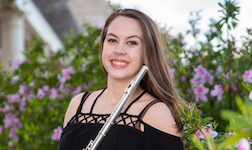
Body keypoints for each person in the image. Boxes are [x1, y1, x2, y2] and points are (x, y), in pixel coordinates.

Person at [59, 8, 187, 150]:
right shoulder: (78, 105)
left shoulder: (156, 113)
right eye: (112, 40)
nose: (119, 50)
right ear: (103, 45)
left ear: (147, 53)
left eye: (132, 42)